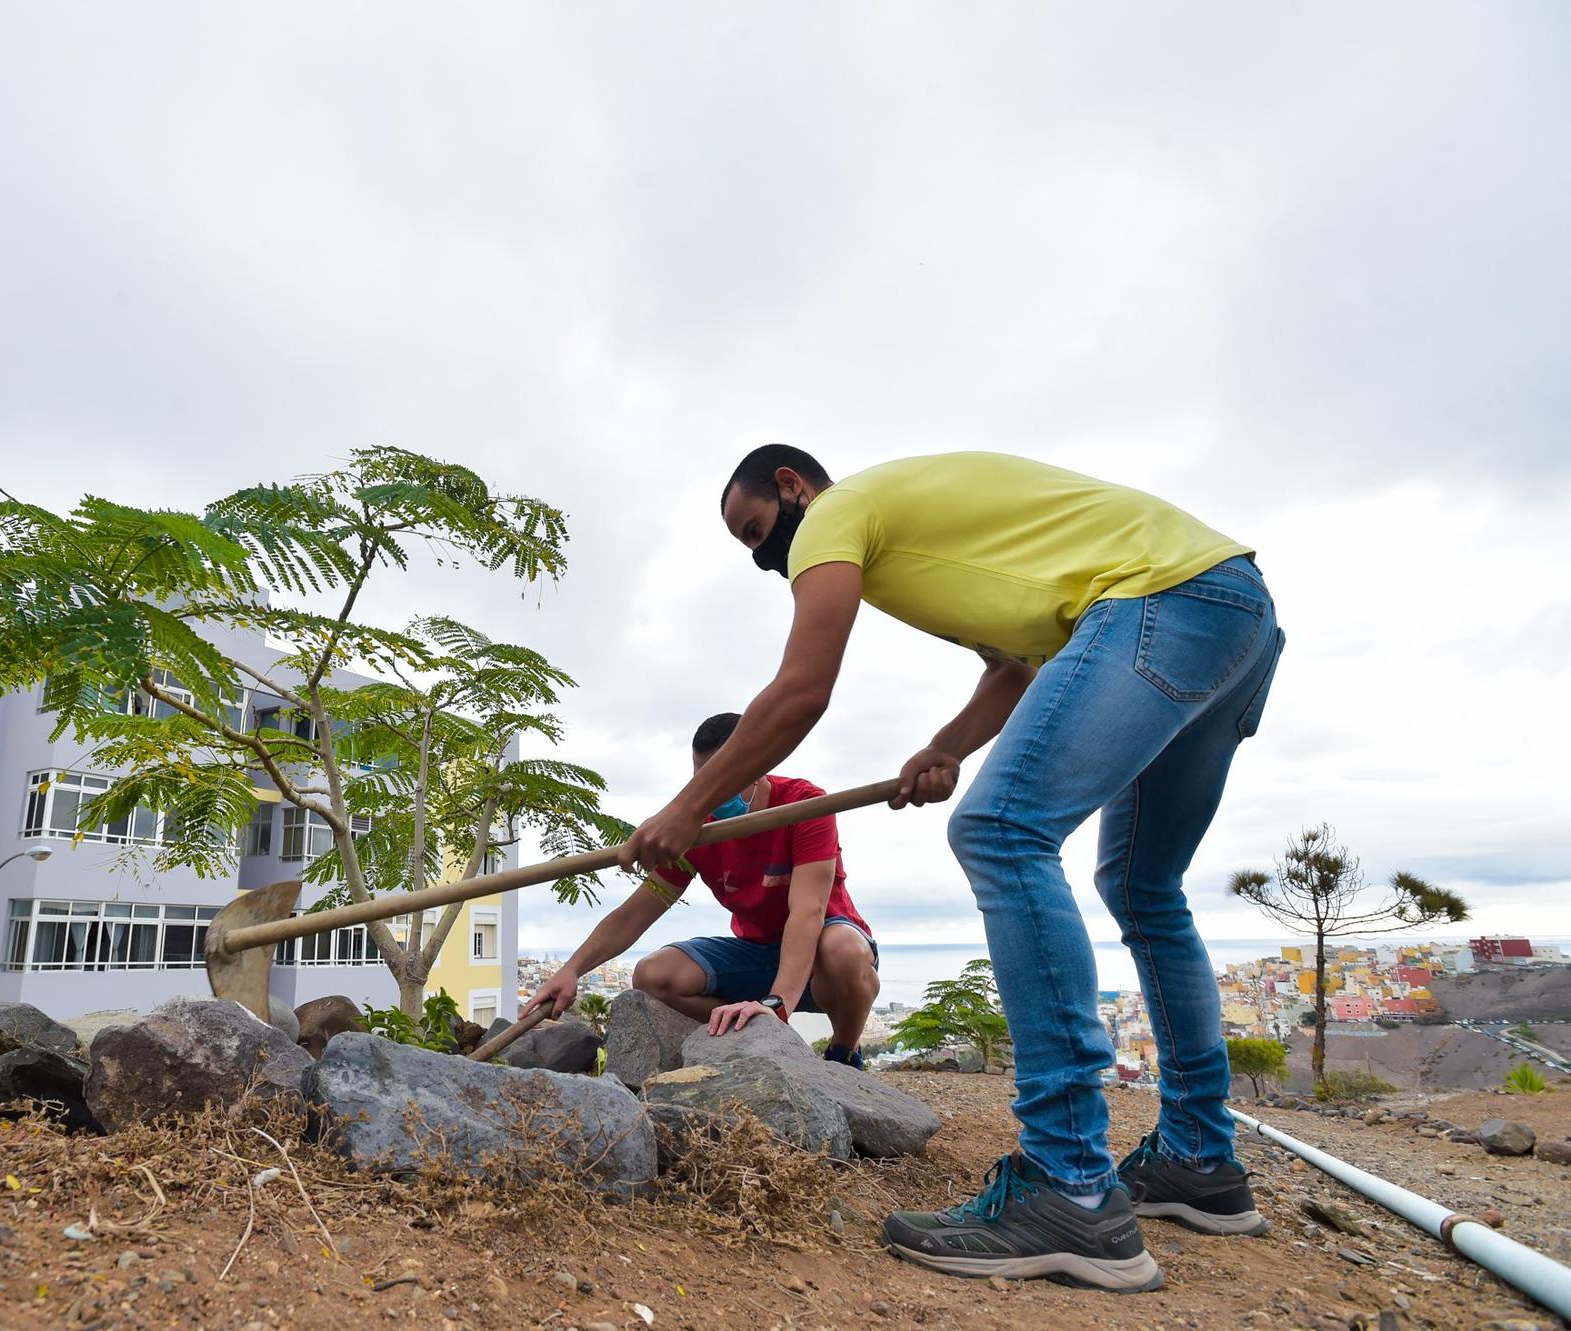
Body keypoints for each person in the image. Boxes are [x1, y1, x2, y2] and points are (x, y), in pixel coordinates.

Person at [620, 446, 1284, 1294]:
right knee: (1143, 889)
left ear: (792, 488)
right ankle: (1200, 1158)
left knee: (1003, 829)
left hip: (1159, 602)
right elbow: (1014, 668)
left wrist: (688, 804)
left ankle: (1070, 1185)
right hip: (1232, 613)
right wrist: (943, 749)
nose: (767, 559)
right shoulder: (930, 551)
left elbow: (800, 690)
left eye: (759, 533)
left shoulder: (835, 513)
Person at [523, 712, 880, 1062]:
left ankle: (843, 1053)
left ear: (756, 767)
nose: (713, 794)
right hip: (757, 955)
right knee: (653, 975)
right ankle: (756, 1035)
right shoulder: (698, 830)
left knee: (843, 951)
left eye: (724, 779)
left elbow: (809, 912)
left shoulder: (804, 805)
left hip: (823, 953)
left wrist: (777, 1003)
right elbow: (636, 913)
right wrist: (572, 969)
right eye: (703, 781)